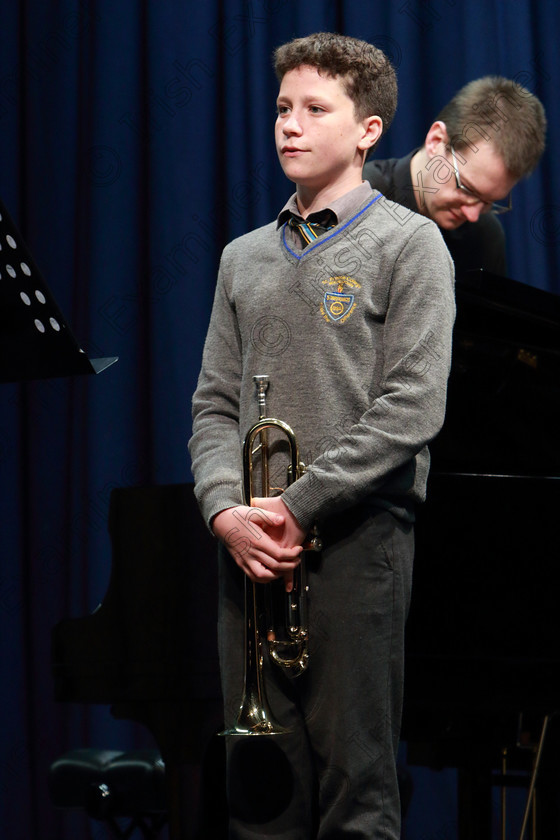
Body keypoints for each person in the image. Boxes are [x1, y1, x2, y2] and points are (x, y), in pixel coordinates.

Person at [189, 32, 455, 840]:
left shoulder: (410, 245)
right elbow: (214, 404)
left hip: (355, 546)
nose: (290, 127)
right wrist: (225, 512)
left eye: (314, 109)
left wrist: (298, 505)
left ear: (368, 131)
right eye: (281, 109)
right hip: (251, 554)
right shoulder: (244, 258)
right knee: (259, 795)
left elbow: (412, 406)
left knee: (357, 795)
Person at [363, 76, 547, 276]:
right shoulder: (361, 199)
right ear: (436, 141)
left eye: (488, 202)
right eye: (467, 189)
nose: (473, 215)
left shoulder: (485, 237)